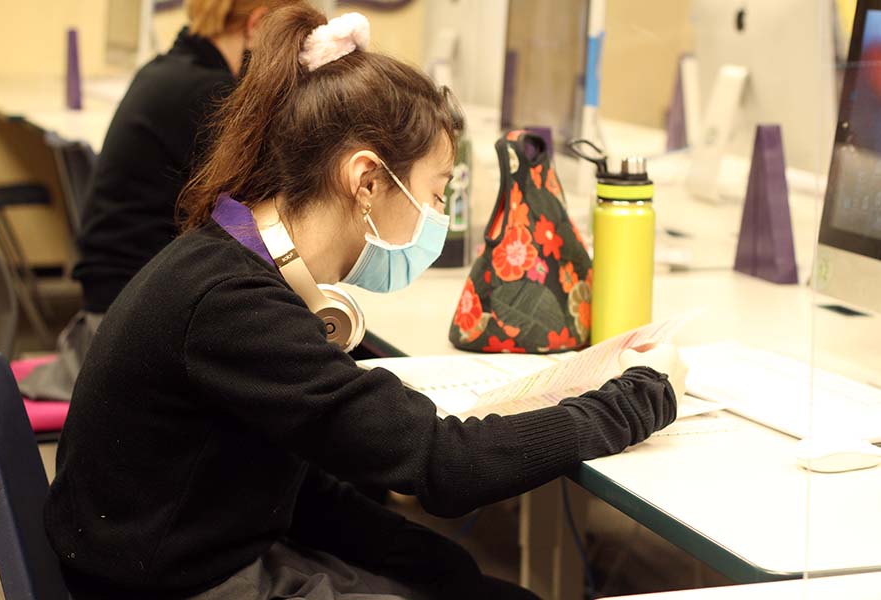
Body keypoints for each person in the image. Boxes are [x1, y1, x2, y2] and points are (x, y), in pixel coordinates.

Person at [44, 5, 686, 600]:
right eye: (436, 195)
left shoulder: (233, 255)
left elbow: (299, 481)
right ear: (368, 180)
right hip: (169, 583)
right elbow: (446, 464)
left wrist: (443, 570)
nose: (437, 218)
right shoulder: (233, 306)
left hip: (185, 549)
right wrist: (642, 396)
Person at [20, 0, 296, 401]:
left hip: (110, 302)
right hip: (125, 321)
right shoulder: (209, 94)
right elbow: (256, 215)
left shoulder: (166, 70)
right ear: (256, 25)